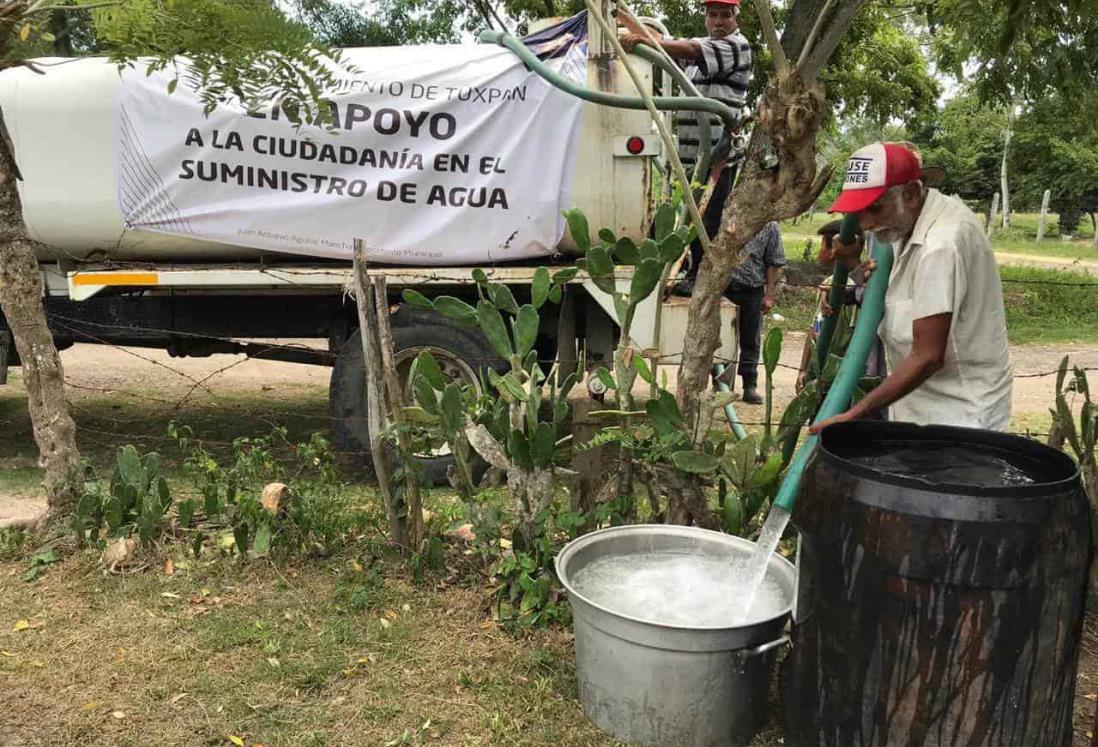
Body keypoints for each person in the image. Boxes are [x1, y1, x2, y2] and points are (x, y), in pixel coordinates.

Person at [810, 142, 1012, 432]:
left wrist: (855, 414)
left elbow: (928, 356)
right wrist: (855, 266)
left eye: (875, 209)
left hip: (960, 413)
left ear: (912, 193)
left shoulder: (941, 245)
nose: (865, 224)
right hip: (917, 403)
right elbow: (895, 294)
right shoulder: (905, 222)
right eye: (859, 212)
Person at [617, 0, 752, 285]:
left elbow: (685, 49)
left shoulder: (736, 45)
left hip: (717, 156)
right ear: (705, 18)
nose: (718, 21)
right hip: (691, 156)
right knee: (682, 215)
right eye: (712, 14)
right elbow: (662, 43)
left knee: (708, 220)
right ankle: (668, 269)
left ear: (735, 19)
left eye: (724, 15)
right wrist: (620, 15)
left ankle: (700, 279)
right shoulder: (700, 47)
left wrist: (642, 39)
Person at [794, 219, 884, 393]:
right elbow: (815, 329)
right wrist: (804, 368)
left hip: (840, 376)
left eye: (822, 244)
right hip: (825, 372)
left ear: (834, 248)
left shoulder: (854, 285)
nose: (819, 251)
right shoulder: (829, 285)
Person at [719, 221, 786, 404]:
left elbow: (774, 262)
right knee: (721, 338)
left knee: (751, 339)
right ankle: (722, 385)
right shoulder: (730, 213)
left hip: (753, 289)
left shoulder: (770, 225)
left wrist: (770, 295)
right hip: (723, 288)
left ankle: (750, 385)